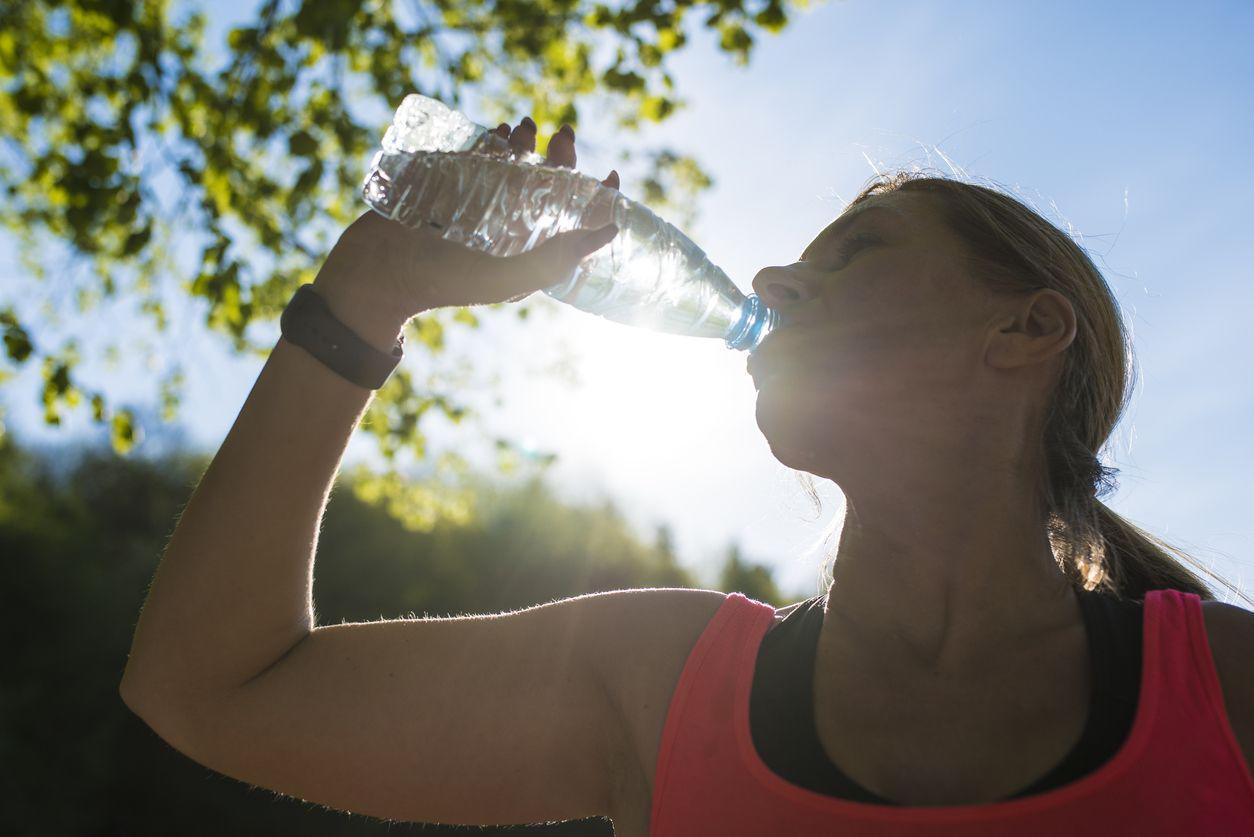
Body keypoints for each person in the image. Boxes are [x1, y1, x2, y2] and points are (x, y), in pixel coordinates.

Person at [120, 115, 1254, 835]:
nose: (769, 274)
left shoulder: (1229, 695)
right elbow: (207, 688)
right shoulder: (659, 686)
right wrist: (363, 298)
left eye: (855, 255)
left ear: (1025, 330)